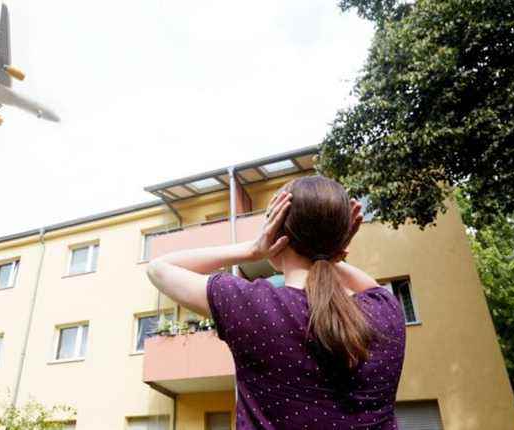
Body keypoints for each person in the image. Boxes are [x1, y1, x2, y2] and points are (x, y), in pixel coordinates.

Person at [146, 175, 406, 429]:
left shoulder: (254, 306)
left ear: (275, 232)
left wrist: (252, 250)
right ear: (341, 241)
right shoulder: (387, 310)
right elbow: (366, 285)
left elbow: (160, 268)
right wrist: (330, 253)